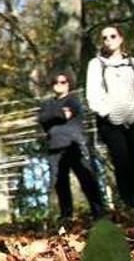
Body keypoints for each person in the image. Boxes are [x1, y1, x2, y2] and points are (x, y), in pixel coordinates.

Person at [84, 25, 134, 209]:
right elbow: (93, 93)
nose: (109, 40)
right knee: (122, 164)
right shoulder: (96, 64)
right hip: (112, 124)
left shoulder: (133, 62)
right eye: (104, 37)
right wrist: (107, 113)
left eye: (113, 36)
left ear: (121, 38)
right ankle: (131, 206)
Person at [38, 73, 105, 221]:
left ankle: (99, 212)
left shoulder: (74, 100)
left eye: (63, 82)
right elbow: (42, 118)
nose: (59, 84)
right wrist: (59, 114)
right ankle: (66, 215)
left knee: (86, 177)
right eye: (55, 82)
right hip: (54, 147)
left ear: (68, 84)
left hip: (74, 145)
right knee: (60, 182)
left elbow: (61, 116)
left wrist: (54, 116)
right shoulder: (47, 103)